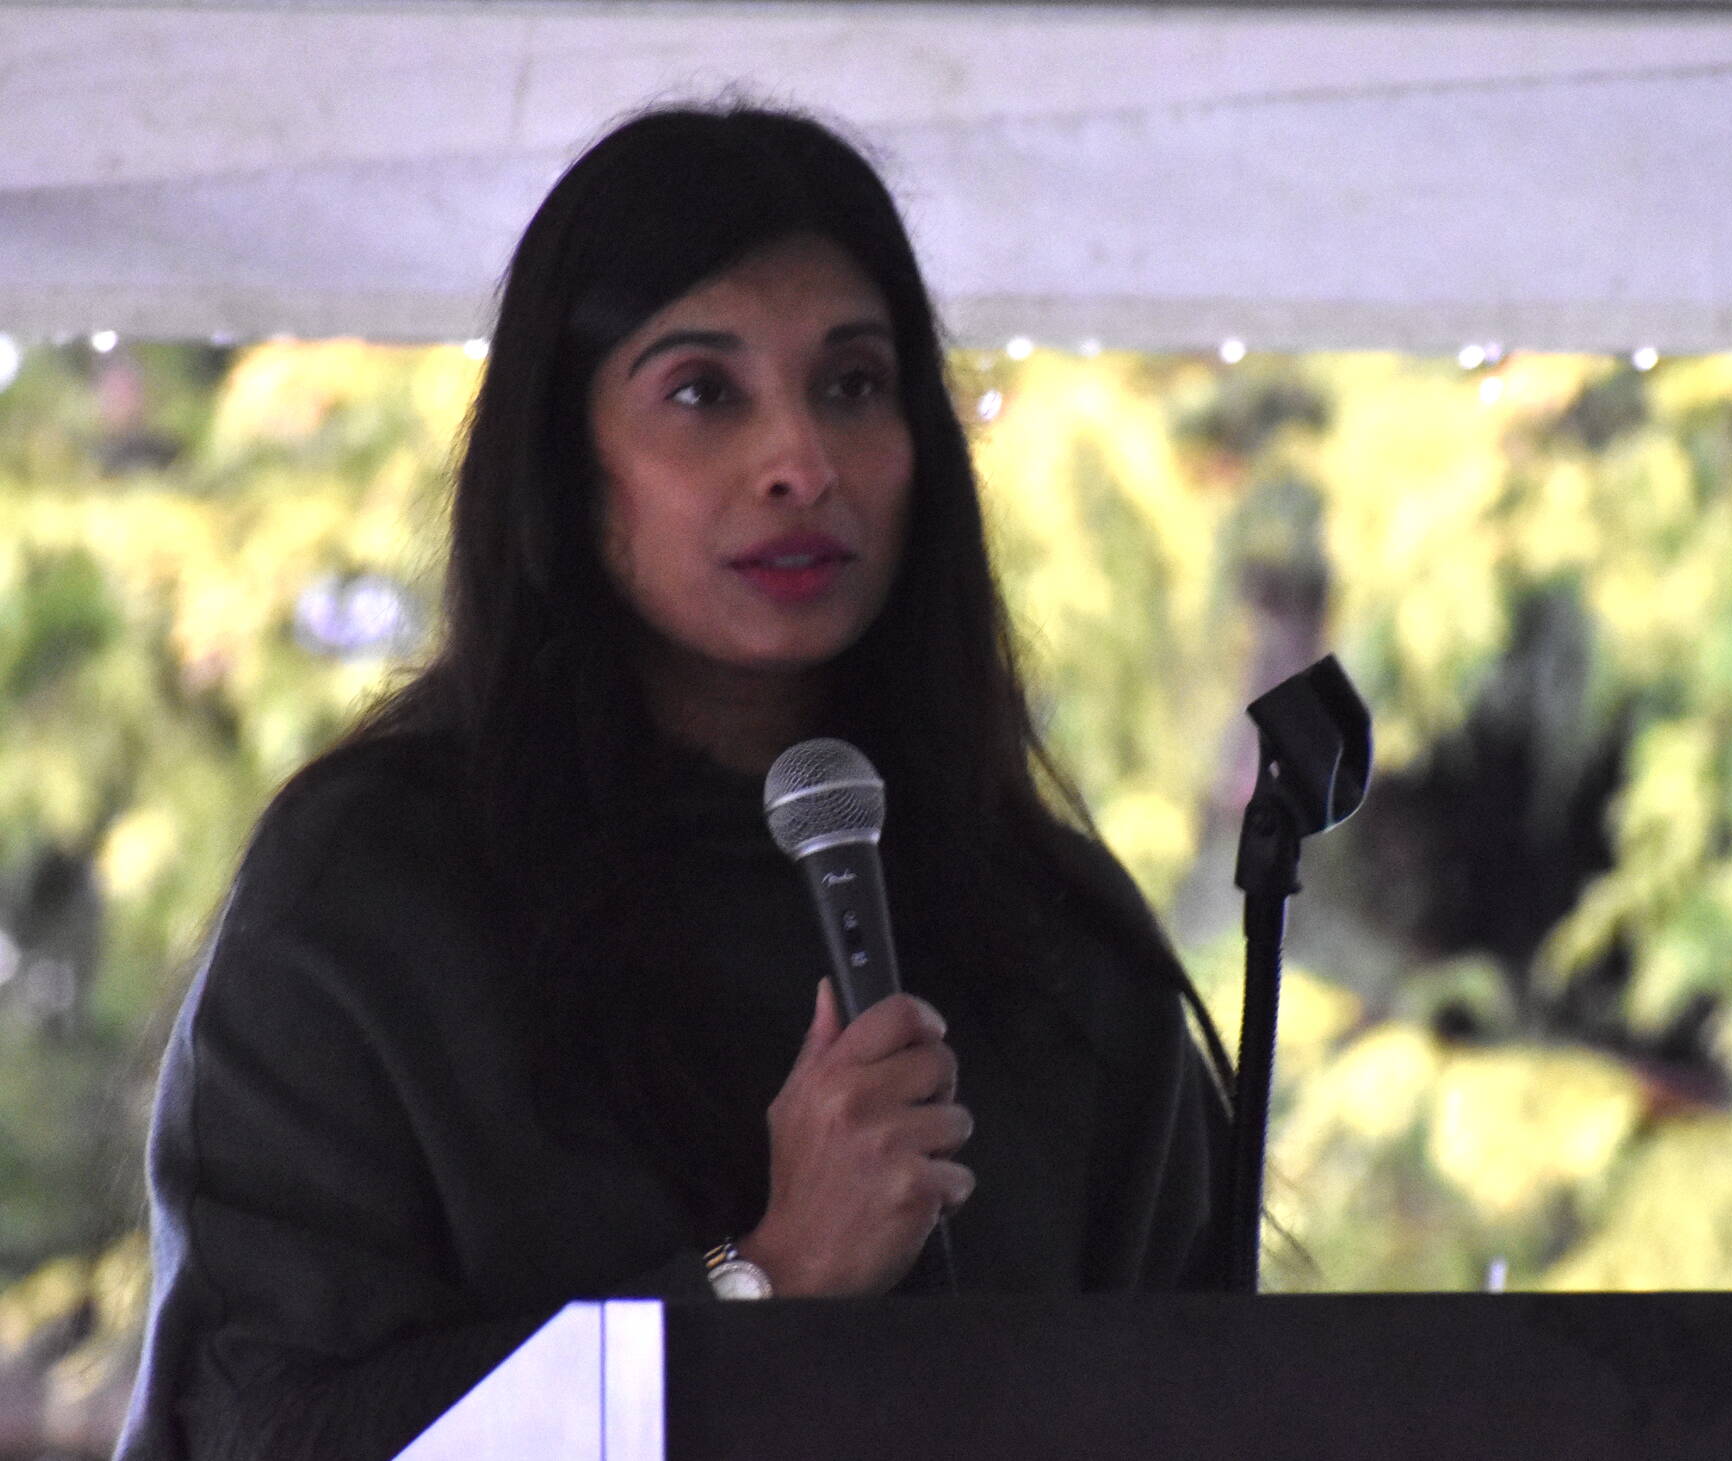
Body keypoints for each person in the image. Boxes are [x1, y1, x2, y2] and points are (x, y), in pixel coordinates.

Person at [115, 104, 1231, 1461]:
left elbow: (1219, 1396)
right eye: (705, 392)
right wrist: (759, 1282)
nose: (801, 464)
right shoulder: (376, 897)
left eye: (854, 384)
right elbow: (263, 1428)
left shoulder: (1050, 933)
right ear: (563, 455)